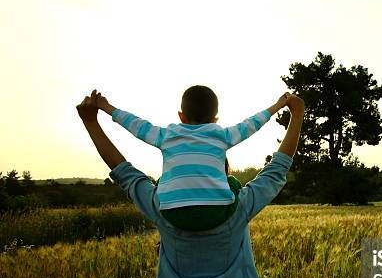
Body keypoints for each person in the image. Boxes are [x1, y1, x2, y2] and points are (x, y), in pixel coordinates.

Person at [76, 89, 305, 278]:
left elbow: (125, 173)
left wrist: (92, 123)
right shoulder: (239, 207)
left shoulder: (162, 206)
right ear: (224, 174)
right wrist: (296, 115)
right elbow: (278, 169)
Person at [93, 86, 290, 231]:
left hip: (173, 213)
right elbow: (252, 123)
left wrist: (106, 107)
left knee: (164, 182)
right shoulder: (222, 135)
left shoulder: (167, 135)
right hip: (217, 212)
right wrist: (279, 105)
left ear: (181, 116)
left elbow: (135, 124)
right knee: (232, 184)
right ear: (215, 119)